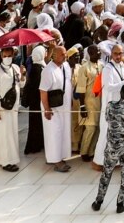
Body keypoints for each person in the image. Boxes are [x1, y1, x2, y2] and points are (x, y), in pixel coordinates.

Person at [94, 82, 124, 213]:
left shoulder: (110, 106)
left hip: (113, 146)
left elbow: (108, 119)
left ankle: (98, 202)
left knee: (106, 173)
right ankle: (120, 204)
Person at [40, 43, 74, 173]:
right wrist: (47, 109)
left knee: (63, 131)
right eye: (62, 54)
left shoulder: (65, 66)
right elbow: (43, 91)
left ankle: (61, 156)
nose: (65, 56)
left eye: (65, 54)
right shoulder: (48, 71)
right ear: (54, 56)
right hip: (52, 107)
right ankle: (56, 161)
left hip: (64, 106)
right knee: (54, 133)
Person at [0, 46, 23, 171]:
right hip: (2, 108)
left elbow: (20, 84)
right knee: (4, 135)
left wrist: (23, 75)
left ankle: (10, 157)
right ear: (1, 56)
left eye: (9, 56)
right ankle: (6, 161)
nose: (7, 58)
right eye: (5, 56)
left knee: (12, 133)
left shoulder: (15, 68)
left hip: (13, 108)